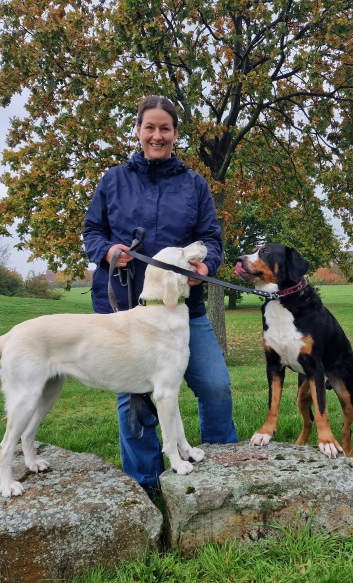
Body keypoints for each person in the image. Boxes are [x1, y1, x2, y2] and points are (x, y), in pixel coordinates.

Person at [82, 95, 238, 495]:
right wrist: (107, 252)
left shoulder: (194, 183)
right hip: (124, 306)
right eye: (149, 127)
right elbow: (92, 232)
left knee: (215, 385)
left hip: (183, 308)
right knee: (134, 400)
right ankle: (146, 489)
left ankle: (224, 471)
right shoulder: (113, 180)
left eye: (164, 128)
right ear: (138, 131)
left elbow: (210, 238)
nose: (157, 135)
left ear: (175, 134)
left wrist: (207, 266)